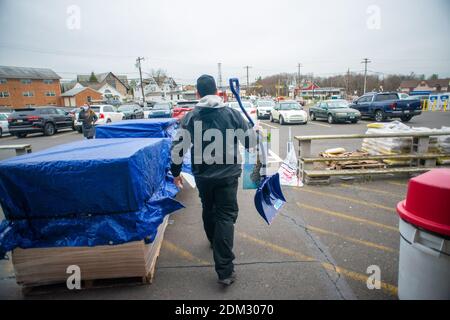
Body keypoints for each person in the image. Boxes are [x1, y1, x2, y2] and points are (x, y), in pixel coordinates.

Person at [170, 75, 257, 286]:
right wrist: (254, 133)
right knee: (225, 216)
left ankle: (213, 240)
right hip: (228, 175)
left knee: (208, 207)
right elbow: (250, 143)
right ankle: (225, 271)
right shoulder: (232, 114)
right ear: (217, 92)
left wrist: (176, 173)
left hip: (203, 176)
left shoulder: (190, 118)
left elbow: (178, 149)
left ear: (198, 94)